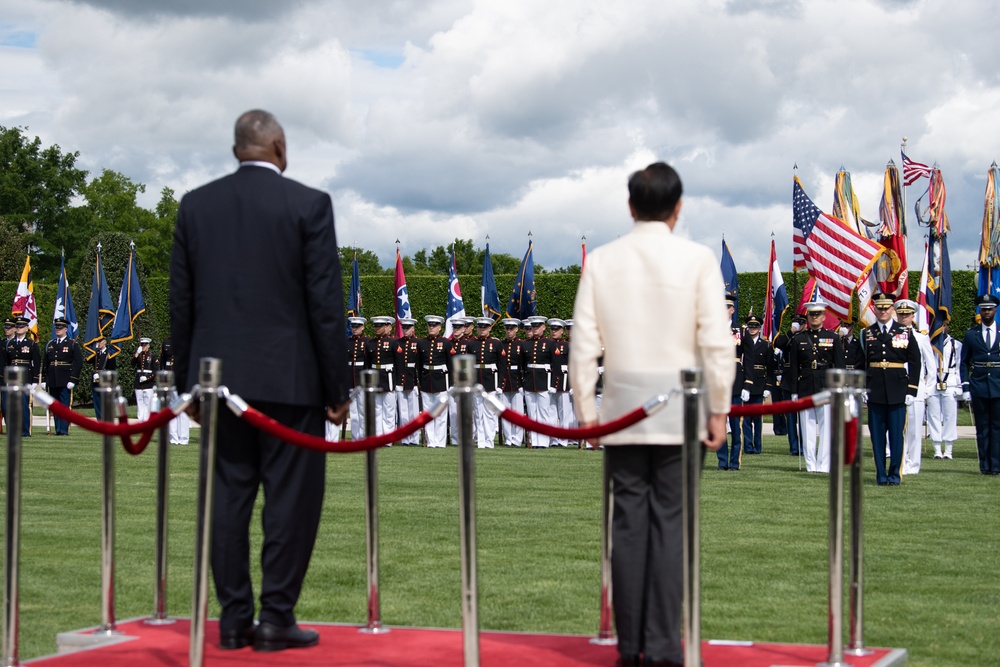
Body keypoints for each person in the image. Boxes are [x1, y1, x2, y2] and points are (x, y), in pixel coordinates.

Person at [170, 109, 350, 652]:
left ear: (235, 151)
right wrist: (336, 388)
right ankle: (275, 618)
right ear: (279, 146)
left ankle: (231, 621)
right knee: (290, 503)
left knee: (227, 499)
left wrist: (189, 386)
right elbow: (324, 305)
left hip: (219, 381)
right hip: (291, 381)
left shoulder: (196, 206)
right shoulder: (308, 204)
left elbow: (181, 304)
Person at [569, 162, 733, 667]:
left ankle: (629, 645)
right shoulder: (697, 259)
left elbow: (583, 345)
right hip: (680, 410)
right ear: (678, 209)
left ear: (630, 206)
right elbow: (715, 343)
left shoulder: (602, 260)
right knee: (669, 528)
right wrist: (720, 408)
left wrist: (585, 411)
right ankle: (662, 647)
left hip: (621, 410)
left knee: (628, 528)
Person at [862, 292, 919, 486]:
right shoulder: (866, 333)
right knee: (877, 437)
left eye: (887, 308)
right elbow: (862, 363)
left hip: (898, 389)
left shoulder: (905, 331)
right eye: (880, 308)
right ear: (875, 310)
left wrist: (912, 390)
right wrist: (862, 387)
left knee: (896, 436)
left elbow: (915, 362)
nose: (883, 311)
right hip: (875, 389)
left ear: (892, 310)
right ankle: (881, 475)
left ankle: (895, 475)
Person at [787, 301, 845, 473]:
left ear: (823, 317)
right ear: (808, 317)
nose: (814, 317)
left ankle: (824, 464)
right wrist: (794, 391)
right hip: (805, 385)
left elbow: (839, 366)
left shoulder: (833, 338)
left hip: (825, 385)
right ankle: (810, 465)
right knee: (807, 427)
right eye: (811, 314)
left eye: (818, 314)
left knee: (826, 428)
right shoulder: (799, 339)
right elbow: (794, 366)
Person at [960, 294, 1000, 475]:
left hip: (998, 386)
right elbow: (964, 362)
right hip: (979, 386)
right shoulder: (971, 334)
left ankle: (997, 466)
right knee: (982, 428)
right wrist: (966, 386)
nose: (987, 312)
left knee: (997, 427)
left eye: (989, 309)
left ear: (995, 310)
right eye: (983, 309)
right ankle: (984, 466)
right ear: (980, 311)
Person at [895, 299, 935, 475]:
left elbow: (931, 367)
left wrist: (927, 390)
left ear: (913, 316)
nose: (904, 317)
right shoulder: (892, 336)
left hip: (916, 389)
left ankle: (914, 464)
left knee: (914, 430)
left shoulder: (921, 337)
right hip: (896, 387)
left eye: (907, 314)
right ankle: (901, 461)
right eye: (901, 314)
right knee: (897, 428)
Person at [42, 317, 83, 436]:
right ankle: (58, 429)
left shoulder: (72, 344)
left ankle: (63, 430)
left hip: (65, 379)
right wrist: (44, 379)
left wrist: (73, 379)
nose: (58, 330)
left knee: (64, 405)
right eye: (57, 327)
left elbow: (78, 362)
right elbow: (45, 363)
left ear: (66, 329)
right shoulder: (51, 344)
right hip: (53, 379)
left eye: (60, 328)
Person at [520, 315, 557, 448]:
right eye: (533, 326)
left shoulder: (550, 343)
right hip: (530, 381)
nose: (535, 329)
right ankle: (535, 442)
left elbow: (556, 366)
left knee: (543, 413)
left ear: (543, 327)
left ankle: (543, 442)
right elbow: (523, 366)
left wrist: (553, 384)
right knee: (532, 413)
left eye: (538, 326)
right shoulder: (526, 344)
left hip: (544, 381)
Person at [927, 320, 961, 460]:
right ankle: (936, 449)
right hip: (933, 381)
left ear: (948, 326)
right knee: (933, 416)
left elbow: (959, 365)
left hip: (950, 382)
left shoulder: (956, 345)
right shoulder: (930, 344)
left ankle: (948, 449)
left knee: (950, 416)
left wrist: (959, 385)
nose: (941, 328)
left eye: (944, 325)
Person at [740, 313, 774, 455]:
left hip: (759, 382)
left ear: (760, 329)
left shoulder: (765, 345)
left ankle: (758, 446)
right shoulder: (742, 343)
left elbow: (771, 368)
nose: (752, 329)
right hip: (745, 381)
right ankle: (748, 446)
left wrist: (769, 386)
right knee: (746, 418)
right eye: (750, 327)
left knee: (758, 418)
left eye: (755, 327)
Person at [773, 313, 806, 456]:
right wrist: (791, 331)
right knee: (791, 418)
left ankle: (806, 446)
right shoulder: (789, 337)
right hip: (788, 381)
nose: (798, 324)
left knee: (804, 417)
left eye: (800, 322)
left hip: (803, 379)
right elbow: (778, 343)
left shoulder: (807, 337)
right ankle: (794, 447)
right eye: (796, 322)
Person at [416, 315, 451, 448]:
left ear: (440, 327)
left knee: (441, 414)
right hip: (426, 380)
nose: (431, 327)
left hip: (441, 380)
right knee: (428, 413)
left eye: (434, 325)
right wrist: (419, 380)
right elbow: (419, 364)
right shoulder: (422, 343)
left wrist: (451, 384)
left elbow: (451, 365)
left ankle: (440, 442)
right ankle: (431, 441)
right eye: (430, 325)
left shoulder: (446, 343)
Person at [718, 293, 743, 470]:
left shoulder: (740, 330)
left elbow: (747, 357)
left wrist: (747, 384)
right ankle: (722, 461)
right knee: (719, 425)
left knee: (735, 426)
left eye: (727, 307)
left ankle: (734, 462)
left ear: (732, 310)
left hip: (735, 381)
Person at [6, 316, 40, 437]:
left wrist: (35, 380)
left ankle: (25, 430)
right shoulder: (10, 343)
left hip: (25, 377)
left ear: (26, 328)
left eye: (21, 326)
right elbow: (7, 362)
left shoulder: (31, 343)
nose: (19, 328)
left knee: (24, 404)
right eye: (17, 326)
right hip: (13, 377)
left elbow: (36, 362)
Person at [365, 316, 397, 438]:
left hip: (388, 378)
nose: (377, 328)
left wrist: (397, 382)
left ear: (386, 327)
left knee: (389, 410)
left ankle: (388, 437)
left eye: (380, 326)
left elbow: (398, 364)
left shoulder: (393, 342)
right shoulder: (370, 343)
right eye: (375, 326)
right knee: (376, 409)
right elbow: (367, 364)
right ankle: (377, 436)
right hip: (375, 378)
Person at [393, 317, 421, 445]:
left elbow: (420, 363)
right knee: (403, 412)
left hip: (412, 381)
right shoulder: (397, 343)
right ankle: (405, 438)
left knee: (413, 412)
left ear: (413, 329)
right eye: (403, 327)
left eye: (407, 328)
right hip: (400, 381)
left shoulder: (418, 343)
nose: (405, 330)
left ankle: (414, 439)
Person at [497, 318, 525, 447]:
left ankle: (517, 439)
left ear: (516, 329)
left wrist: (522, 382)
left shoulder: (521, 344)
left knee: (518, 412)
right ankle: (508, 438)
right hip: (504, 380)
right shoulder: (500, 345)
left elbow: (523, 365)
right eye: (507, 329)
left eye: (511, 329)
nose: (509, 331)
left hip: (516, 380)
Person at [160, 337, 191, 444]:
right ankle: (173, 438)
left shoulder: (186, 340)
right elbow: (163, 362)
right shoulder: (166, 342)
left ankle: (184, 438)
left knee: (183, 409)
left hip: (182, 381)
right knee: (172, 409)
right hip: (169, 381)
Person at [549, 318, 573, 446]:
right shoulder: (548, 344)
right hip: (550, 381)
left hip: (564, 381)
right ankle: (554, 439)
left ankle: (563, 439)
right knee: (552, 412)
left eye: (557, 329)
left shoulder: (567, 345)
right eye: (552, 329)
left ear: (562, 331)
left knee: (564, 412)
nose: (554, 331)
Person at [347, 317, 369, 439]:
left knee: (362, 411)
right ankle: (355, 437)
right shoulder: (348, 341)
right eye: (353, 327)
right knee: (353, 412)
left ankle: (363, 436)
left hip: (362, 380)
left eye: (357, 327)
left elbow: (368, 363)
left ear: (362, 327)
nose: (354, 329)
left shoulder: (367, 342)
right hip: (351, 379)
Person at [89, 336, 116, 420]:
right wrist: (93, 351)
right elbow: (88, 360)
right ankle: (99, 420)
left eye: (100, 341)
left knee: (104, 402)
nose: (98, 343)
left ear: (104, 342)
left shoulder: (109, 354)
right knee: (96, 401)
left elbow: (112, 368)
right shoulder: (95, 354)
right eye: (97, 342)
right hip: (95, 380)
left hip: (105, 381)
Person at [132, 337, 158, 421]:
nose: (143, 347)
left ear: (148, 346)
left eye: (144, 345)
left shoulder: (153, 357)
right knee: (140, 403)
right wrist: (136, 353)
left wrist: (147, 378)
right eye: (142, 345)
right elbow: (132, 364)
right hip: (139, 382)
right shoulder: (138, 355)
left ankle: (146, 421)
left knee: (147, 404)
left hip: (148, 383)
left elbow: (155, 371)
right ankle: (140, 420)